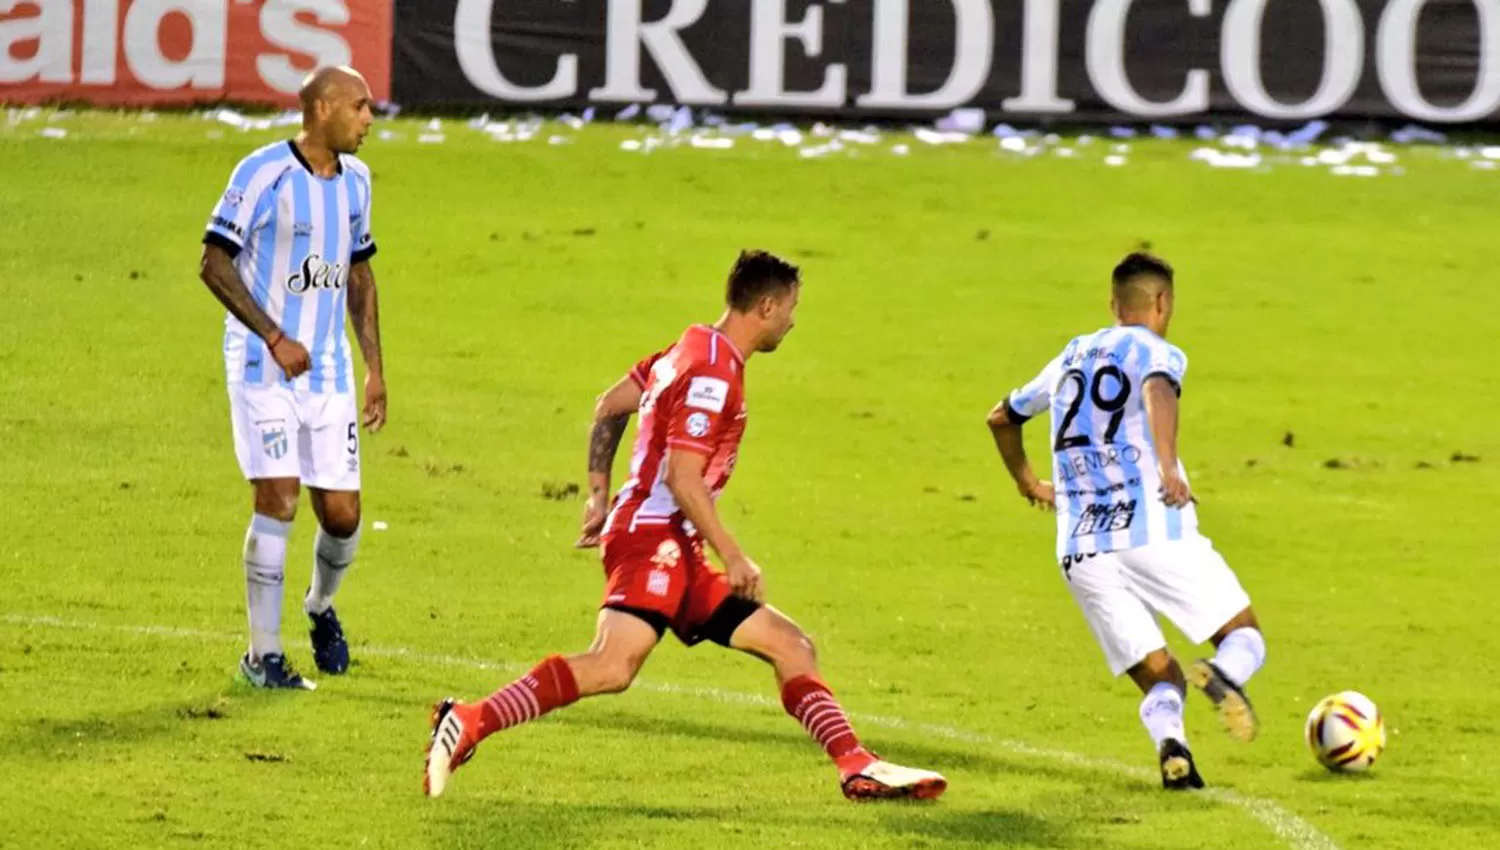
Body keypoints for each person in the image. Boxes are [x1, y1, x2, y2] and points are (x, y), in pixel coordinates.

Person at [424, 251, 947, 801]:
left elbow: (610, 405)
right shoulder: (714, 374)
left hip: (672, 542)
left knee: (790, 644)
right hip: (655, 540)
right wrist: (734, 554)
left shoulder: (688, 347)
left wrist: (599, 496)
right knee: (612, 665)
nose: (793, 320)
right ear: (765, 307)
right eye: (791, 308)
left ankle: (855, 765)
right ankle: (469, 719)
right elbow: (681, 476)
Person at [986, 252, 1266, 789]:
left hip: (1080, 548)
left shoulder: (1070, 355)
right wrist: (1167, 466)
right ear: (1162, 302)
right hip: (1150, 528)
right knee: (1244, 637)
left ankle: (1173, 749)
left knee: (1159, 673)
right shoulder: (1157, 350)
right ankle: (1224, 674)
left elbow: (1002, 416)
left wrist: (1027, 481)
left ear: (1114, 304)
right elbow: (1157, 389)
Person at [197, 66, 386, 690]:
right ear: (323, 106)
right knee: (277, 499)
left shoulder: (357, 182)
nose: (368, 120)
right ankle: (263, 657)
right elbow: (213, 261)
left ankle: (320, 606)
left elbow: (358, 275)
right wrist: (273, 336)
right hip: (261, 365)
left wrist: (374, 370)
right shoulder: (262, 173)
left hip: (327, 373)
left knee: (342, 517)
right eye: (359, 107)